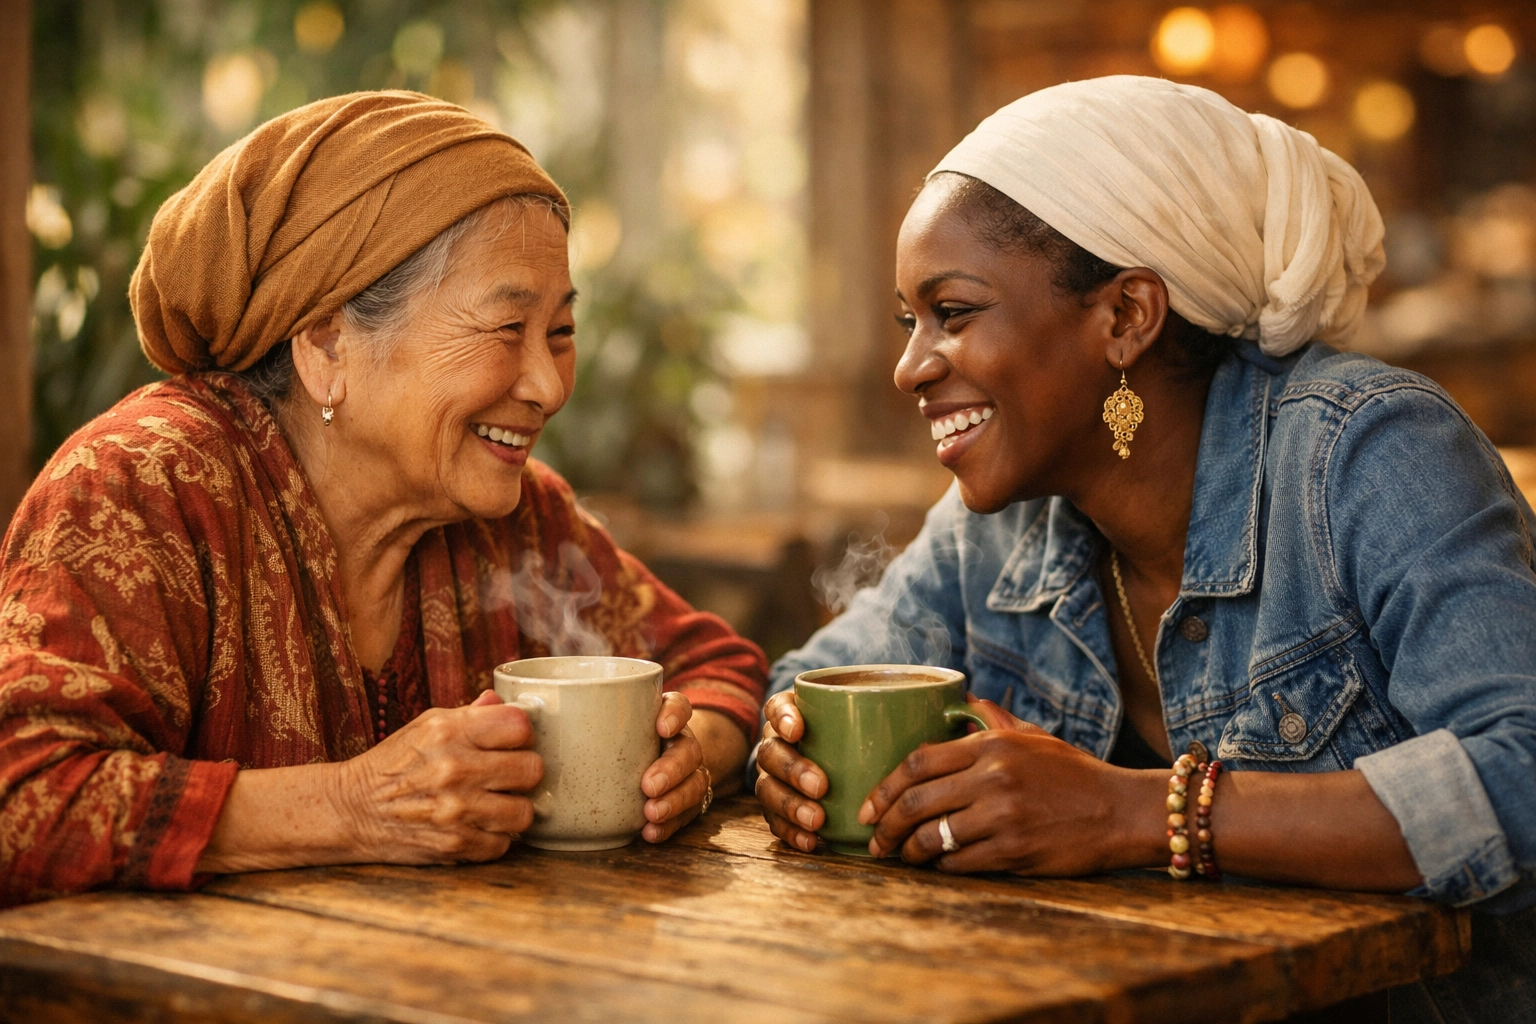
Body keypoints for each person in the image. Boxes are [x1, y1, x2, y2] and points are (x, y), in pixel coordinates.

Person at [754, 76, 1536, 1020]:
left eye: (952, 313)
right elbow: (805, 684)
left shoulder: (1365, 453)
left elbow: (1521, 774)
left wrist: (1130, 811)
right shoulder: (995, 525)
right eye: (906, 322)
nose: (909, 366)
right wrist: (787, 755)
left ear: (1126, 316)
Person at [0, 92, 766, 905]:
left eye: (562, 333)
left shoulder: (518, 520)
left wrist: (687, 759)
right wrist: (354, 806)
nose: (548, 386)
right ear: (329, 344)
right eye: (507, 330)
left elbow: (718, 670)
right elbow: (22, 796)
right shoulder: (142, 486)